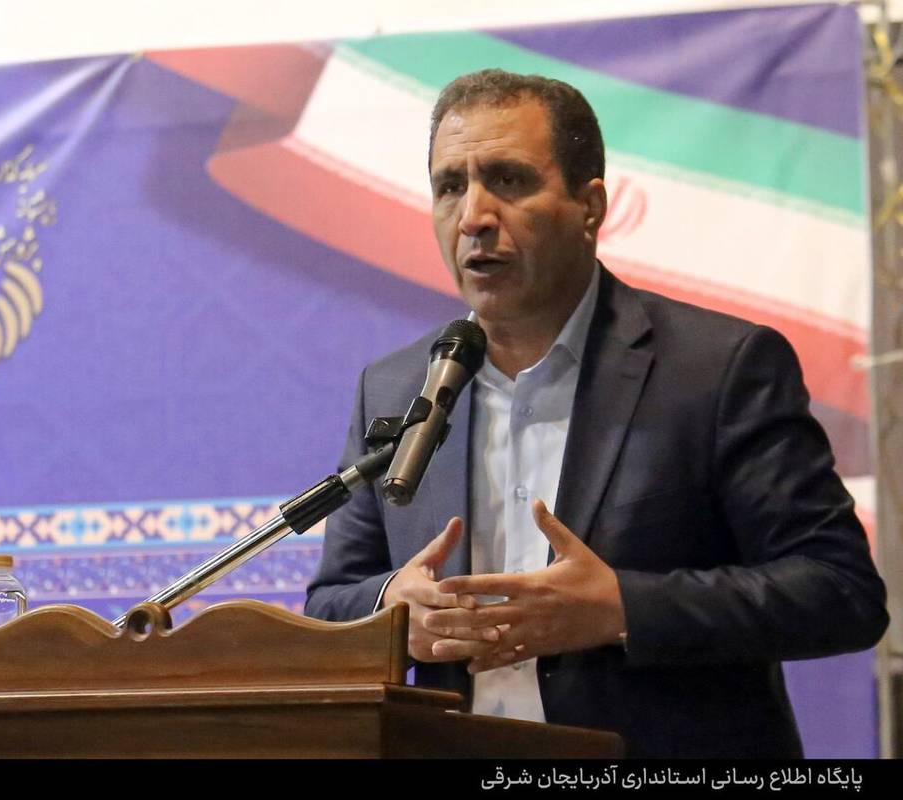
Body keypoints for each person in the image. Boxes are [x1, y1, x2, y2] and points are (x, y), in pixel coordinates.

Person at [303, 69, 888, 758]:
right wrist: (393, 611)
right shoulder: (397, 388)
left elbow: (839, 592)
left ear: (590, 206)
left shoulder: (718, 369)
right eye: (450, 186)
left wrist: (620, 608)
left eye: (509, 180)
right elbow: (331, 603)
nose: (473, 217)